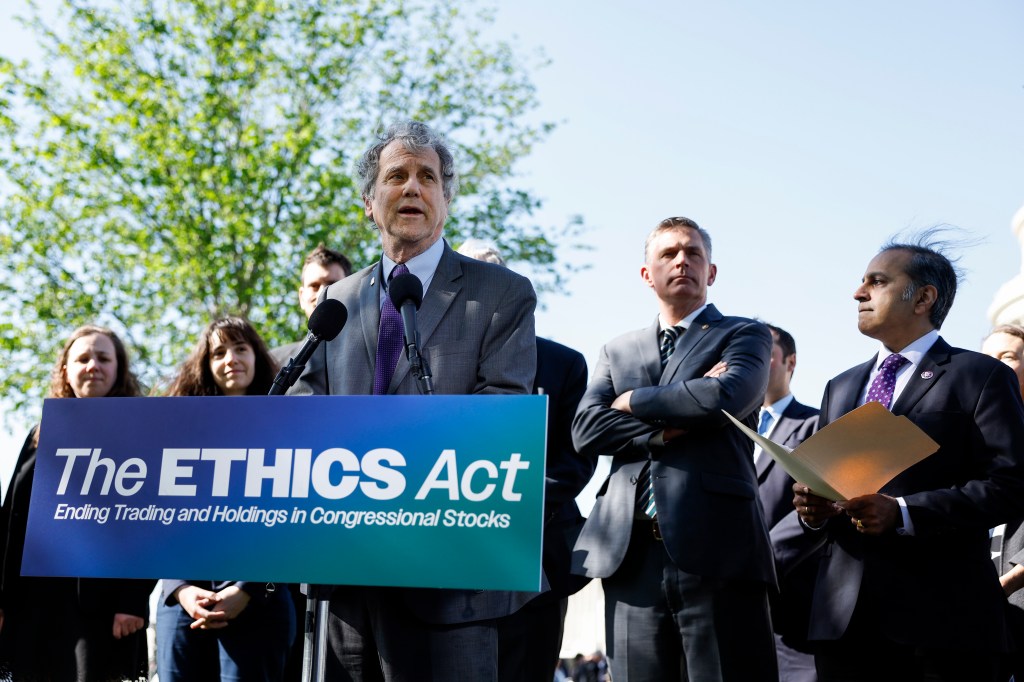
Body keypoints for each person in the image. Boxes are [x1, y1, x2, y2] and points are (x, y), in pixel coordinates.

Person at [290, 120, 537, 681]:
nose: (412, 188)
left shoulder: (501, 293)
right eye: (396, 176)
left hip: (450, 579)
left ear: (446, 200)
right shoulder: (337, 300)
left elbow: (500, 411)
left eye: (428, 177)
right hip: (347, 578)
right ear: (369, 203)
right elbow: (307, 405)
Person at [793, 236, 1024, 681]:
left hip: (941, 625)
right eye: (862, 282)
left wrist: (904, 512)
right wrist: (814, 509)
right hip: (843, 625)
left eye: (876, 282)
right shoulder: (839, 387)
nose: (858, 293)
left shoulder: (980, 375)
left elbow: (1012, 484)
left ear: (923, 297)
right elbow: (824, 483)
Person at [570, 216, 778, 681]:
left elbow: (726, 397)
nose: (682, 260)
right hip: (629, 551)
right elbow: (585, 429)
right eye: (668, 253)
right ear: (647, 274)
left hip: (718, 548)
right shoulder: (617, 350)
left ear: (712, 271)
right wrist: (662, 430)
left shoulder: (746, 335)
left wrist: (632, 401)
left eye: (693, 253)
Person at [457, 238, 593, 681]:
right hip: (450, 557)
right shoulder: (428, 364)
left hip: (537, 558)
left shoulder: (563, 363)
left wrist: (511, 504)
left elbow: (576, 458)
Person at [0, 324, 154, 681]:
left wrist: (131, 601)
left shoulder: (142, 432)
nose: (93, 366)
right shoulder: (40, 433)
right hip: (34, 602)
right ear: (65, 369)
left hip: (102, 608)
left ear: (119, 369)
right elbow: (12, 519)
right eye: (82, 358)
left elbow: (149, 523)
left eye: (103, 358)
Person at [156, 317, 295, 682]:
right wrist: (181, 590)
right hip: (183, 605)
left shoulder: (292, 427)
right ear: (206, 365)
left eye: (240, 348)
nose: (230, 358)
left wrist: (246, 589)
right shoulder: (175, 431)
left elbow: (293, 522)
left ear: (257, 356)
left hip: (260, 602)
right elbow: (156, 518)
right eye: (219, 352)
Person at [754, 324, 820, 682]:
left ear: (789, 362)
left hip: (790, 608)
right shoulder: (720, 432)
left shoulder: (814, 425)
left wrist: (756, 565)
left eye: (764, 354)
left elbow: (813, 508)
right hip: (724, 603)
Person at [981, 324, 1024, 681]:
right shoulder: (968, 440)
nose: (993, 367)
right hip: (976, 622)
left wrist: (1006, 583)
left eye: (1007, 357)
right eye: (986, 358)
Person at [271, 243, 353, 366]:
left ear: (351, 292)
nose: (322, 294)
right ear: (301, 297)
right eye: (314, 286)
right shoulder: (274, 362)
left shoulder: (375, 352)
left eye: (333, 285)